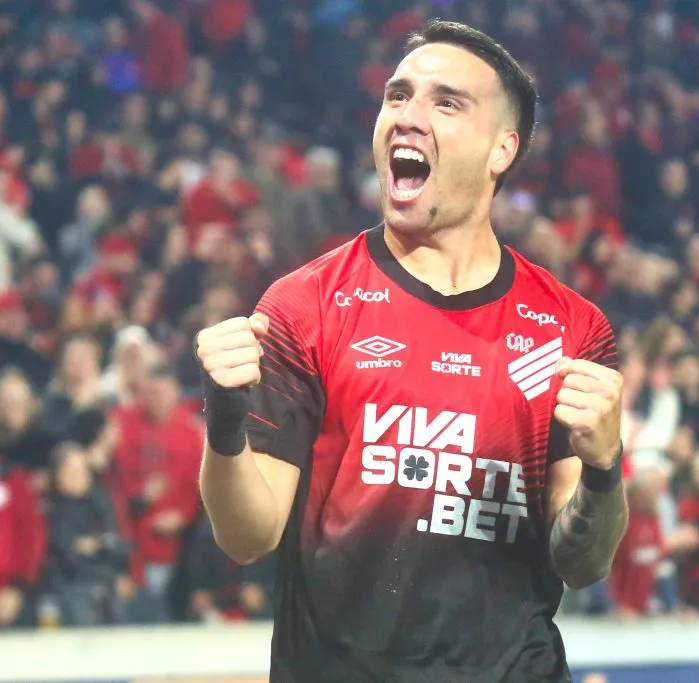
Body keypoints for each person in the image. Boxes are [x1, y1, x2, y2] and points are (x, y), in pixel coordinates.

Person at [195, 20, 628, 683]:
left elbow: (582, 560)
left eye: (445, 102)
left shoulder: (570, 328)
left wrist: (603, 471)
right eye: (397, 96)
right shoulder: (304, 305)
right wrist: (224, 428)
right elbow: (247, 535)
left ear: (500, 149)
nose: (407, 116)